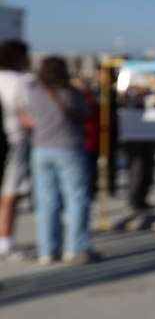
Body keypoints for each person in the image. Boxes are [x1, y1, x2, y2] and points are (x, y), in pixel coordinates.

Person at [22, 55, 95, 265]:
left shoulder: (34, 93)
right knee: (76, 198)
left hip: (41, 149)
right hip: (69, 147)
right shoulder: (71, 93)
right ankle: (75, 248)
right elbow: (85, 113)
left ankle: (47, 249)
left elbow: (26, 117)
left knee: (46, 202)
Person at [0, 40, 33, 260]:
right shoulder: (22, 82)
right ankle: (5, 240)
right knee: (10, 193)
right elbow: (28, 115)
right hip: (14, 138)